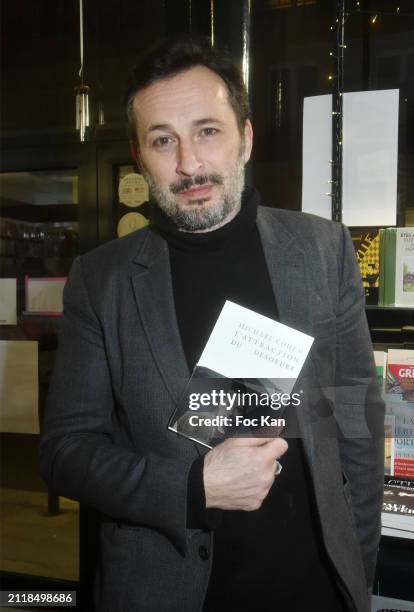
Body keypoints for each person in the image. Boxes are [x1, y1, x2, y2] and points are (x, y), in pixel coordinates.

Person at [39, 37, 385, 612]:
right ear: (139, 154)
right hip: (165, 589)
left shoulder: (321, 250)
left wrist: (356, 569)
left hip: (311, 587)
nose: (189, 163)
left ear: (245, 138)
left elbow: (357, 420)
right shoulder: (103, 281)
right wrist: (191, 489)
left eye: (207, 130)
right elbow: (64, 451)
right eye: (162, 140)